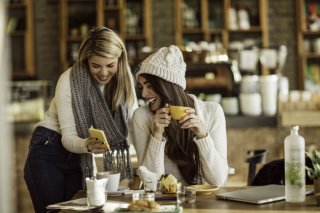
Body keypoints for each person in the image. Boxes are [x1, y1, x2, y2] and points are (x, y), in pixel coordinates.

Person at [24, 27, 137, 213]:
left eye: (110, 65)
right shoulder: (68, 79)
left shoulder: (124, 82)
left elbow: (132, 127)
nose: (103, 73)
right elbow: (68, 137)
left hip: (78, 156)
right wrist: (88, 145)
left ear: (120, 60)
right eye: (96, 65)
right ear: (86, 61)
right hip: (47, 149)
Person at [132, 45, 228, 187]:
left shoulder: (212, 112)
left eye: (150, 86)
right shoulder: (141, 116)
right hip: (165, 204)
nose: (144, 94)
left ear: (168, 86)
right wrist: (157, 135)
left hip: (205, 203)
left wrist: (202, 135)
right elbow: (150, 183)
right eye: (141, 87)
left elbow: (218, 180)